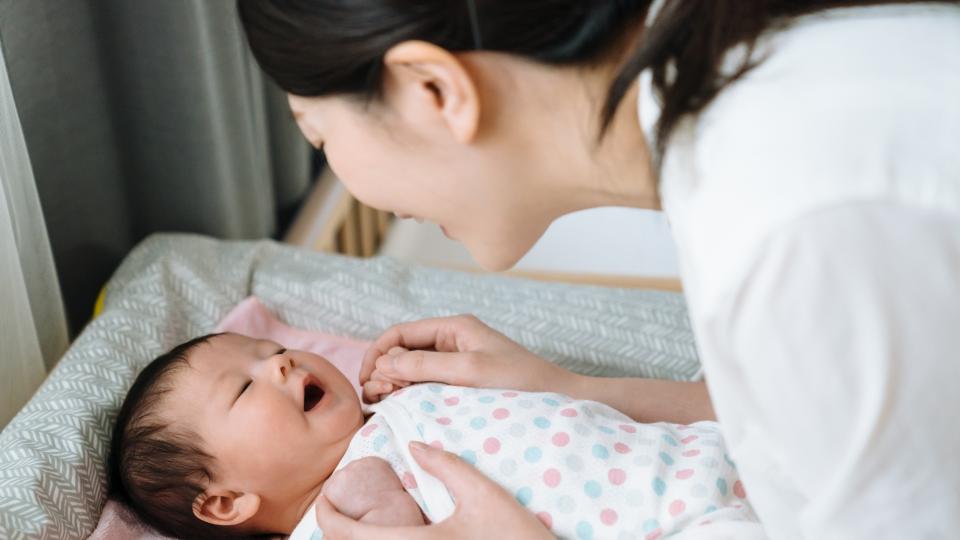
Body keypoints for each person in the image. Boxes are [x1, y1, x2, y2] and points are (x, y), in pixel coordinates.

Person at [236, 1, 960, 539]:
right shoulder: (730, 99)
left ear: (434, 90)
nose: (352, 187)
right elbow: (799, 419)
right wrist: (569, 391)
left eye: (320, 135)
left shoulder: (788, 228)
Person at [109, 332, 758, 539]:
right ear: (226, 501)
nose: (280, 362)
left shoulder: (397, 408)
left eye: (273, 348)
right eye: (245, 388)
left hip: (695, 451)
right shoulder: (331, 522)